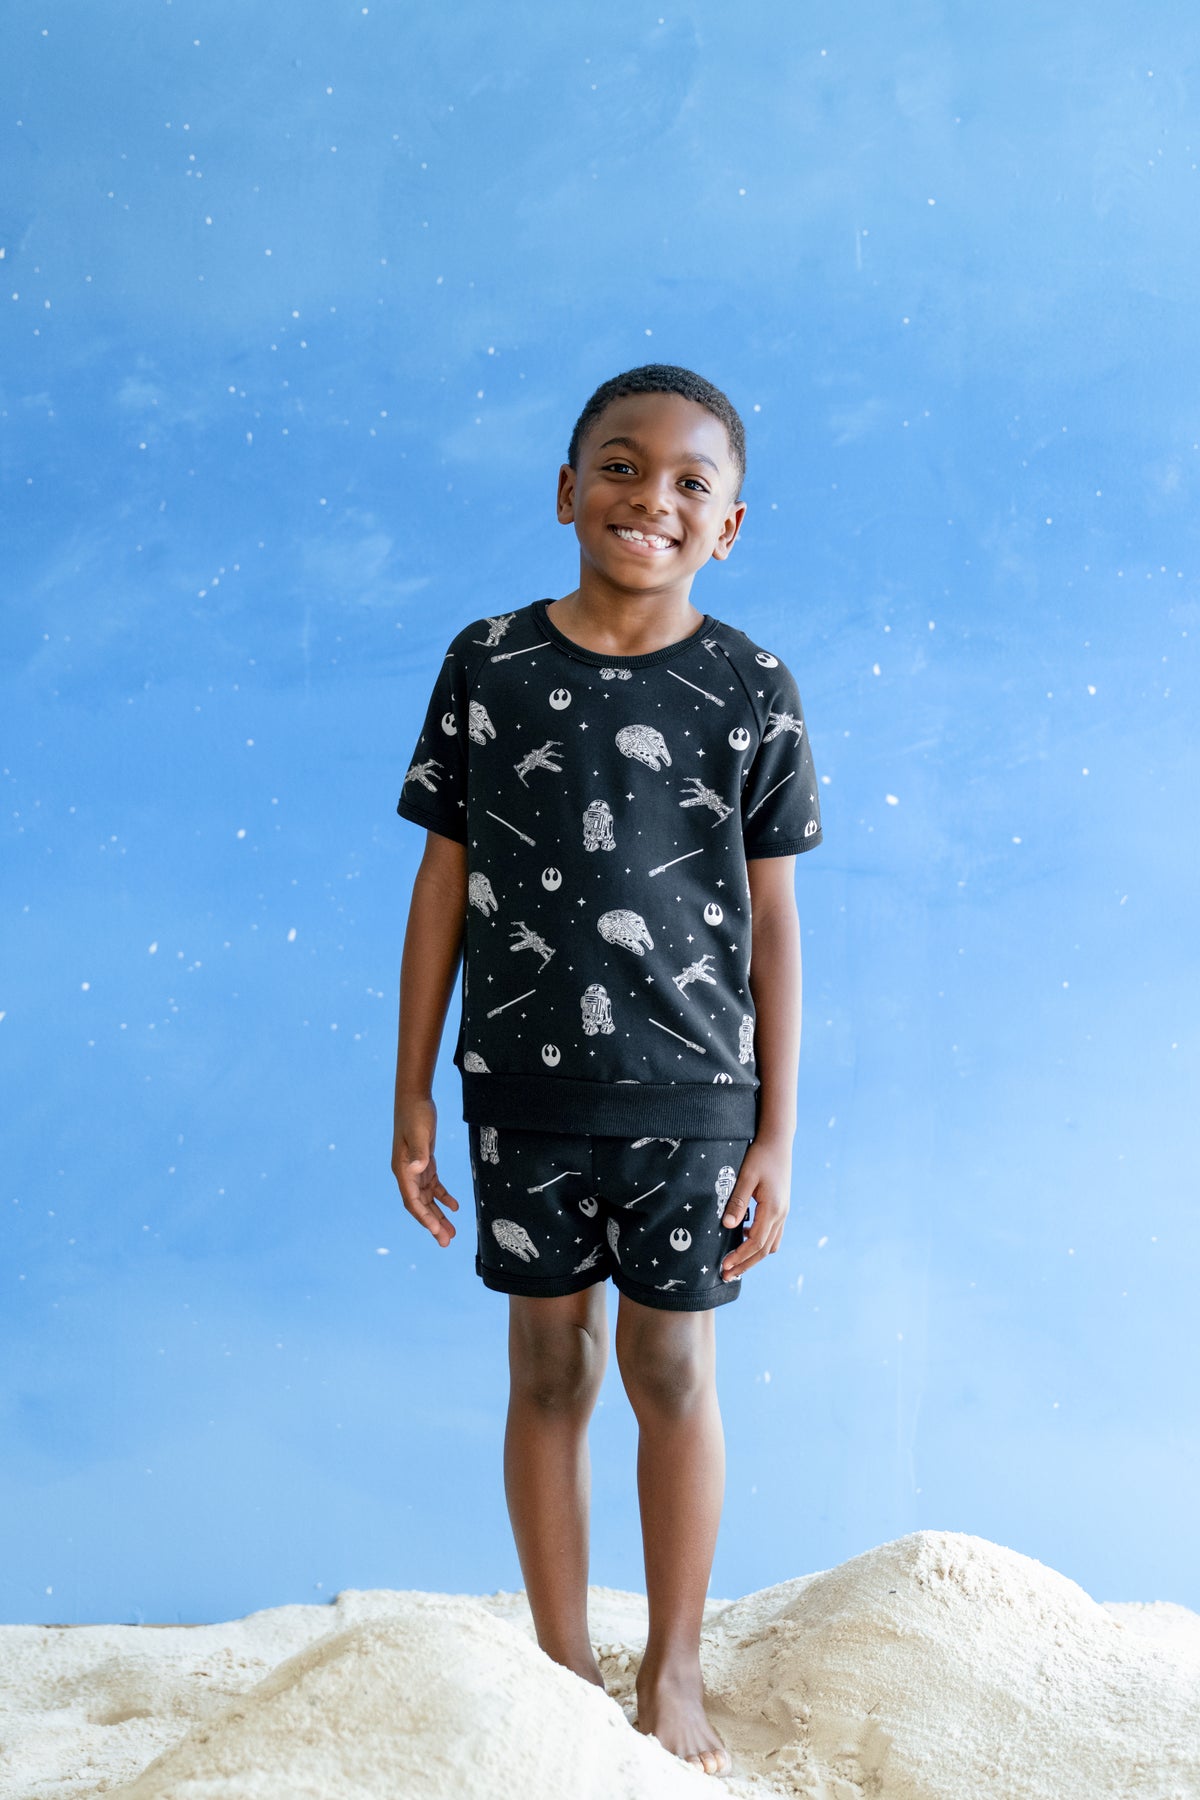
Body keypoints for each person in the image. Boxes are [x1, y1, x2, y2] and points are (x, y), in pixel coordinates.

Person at [391, 363, 823, 1778]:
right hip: (522, 1090)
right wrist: (411, 1088)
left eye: (691, 482)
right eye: (622, 467)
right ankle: (563, 1663)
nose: (653, 499)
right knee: (546, 1363)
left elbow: (774, 922)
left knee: (675, 1368)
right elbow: (443, 882)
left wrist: (776, 1131)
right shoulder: (490, 662)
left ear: (732, 524)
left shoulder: (751, 685)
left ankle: (677, 1665)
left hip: (694, 1100)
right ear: (568, 487)